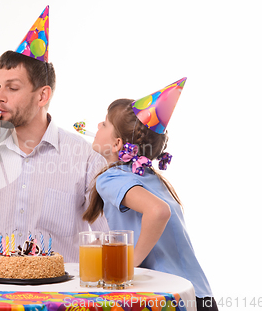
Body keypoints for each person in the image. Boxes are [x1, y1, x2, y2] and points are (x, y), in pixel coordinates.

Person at [0, 48, 109, 262]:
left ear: (42, 96)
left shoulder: (85, 157)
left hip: (57, 292)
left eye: (12, 88)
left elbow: (110, 238)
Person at [83, 78, 218, 311]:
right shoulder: (150, 177)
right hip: (199, 296)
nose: (97, 125)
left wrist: (129, 266)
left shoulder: (111, 178)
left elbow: (158, 211)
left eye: (104, 124)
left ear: (117, 144)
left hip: (169, 299)